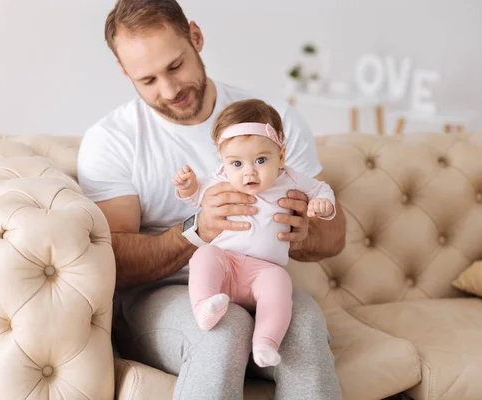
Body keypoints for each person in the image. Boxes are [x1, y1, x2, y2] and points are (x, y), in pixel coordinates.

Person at [77, 0, 346, 399]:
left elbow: (335, 235)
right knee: (224, 328)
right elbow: (110, 257)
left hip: (258, 278)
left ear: (196, 38)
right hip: (160, 295)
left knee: (303, 327)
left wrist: (302, 232)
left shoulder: (273, 123)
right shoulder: (111, 141)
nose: (169, 91)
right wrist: (197, 230)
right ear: (124, 72)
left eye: (175, 66)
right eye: (147, 80)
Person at [173, 99, 337, 368]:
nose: (248, 171)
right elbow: (195, 199)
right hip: (226, 264)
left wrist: (323, 205)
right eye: (236, 163)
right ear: (223, 161)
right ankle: (204, 307)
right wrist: (188, 187)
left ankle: (266, 344)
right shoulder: (220, 179)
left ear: (281, 156)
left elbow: (321, 190)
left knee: (280, 283)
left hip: (263, 272)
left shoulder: (292, 179)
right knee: (205, 254)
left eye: (260, 160)